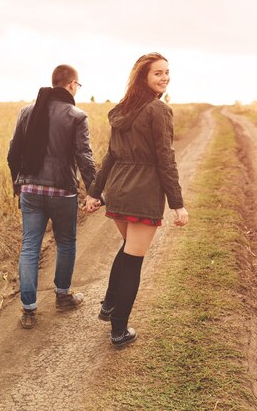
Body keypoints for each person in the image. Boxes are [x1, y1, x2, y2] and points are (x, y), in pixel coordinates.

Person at [84, 53, 189, 347]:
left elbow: (110, 156)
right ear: (143, 77)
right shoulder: (159, 110)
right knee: (133, 259)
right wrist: (177, 203)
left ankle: (108, 306)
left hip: (118, 190)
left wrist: (96, 191)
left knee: (129, 249)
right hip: (142, 193)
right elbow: (165, 159)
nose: (164, 77)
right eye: (157, 73)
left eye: (167, 72)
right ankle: (119, 330)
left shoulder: (123, 109)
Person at [7, 64, 97, 329]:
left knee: (30, 246)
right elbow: (84, 157)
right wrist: (94, 190)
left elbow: (13, 153)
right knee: (66, 242)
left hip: (30, 190)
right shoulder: (76, 115)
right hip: (61, 192)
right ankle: (63, 296)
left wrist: (18, 185)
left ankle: (28, 310)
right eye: (78, 86)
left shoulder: (27, 111)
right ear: (71, 85)